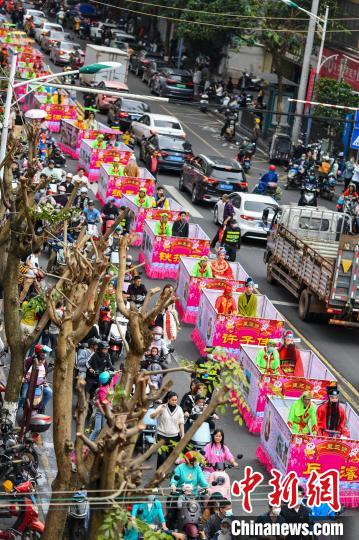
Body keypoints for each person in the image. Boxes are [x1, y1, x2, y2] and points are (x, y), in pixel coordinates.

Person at [151, 392, 185, 467]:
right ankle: (158, 473)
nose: (174, 401)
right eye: (172, 400)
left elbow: (181, 422)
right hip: (161, 436)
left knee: (169, 458)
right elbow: (152, 416)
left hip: (174, 437)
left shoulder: (179, 409)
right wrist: (158, 411)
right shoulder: (162, 407)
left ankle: (163, 473)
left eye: (176, 400)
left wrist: (183, 434)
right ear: (168, 399)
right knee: (161, 457)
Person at [89, 370, 120, 441]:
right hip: (101, 411)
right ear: (108, 380)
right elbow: (103, 402)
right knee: (97, 429)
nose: (111, 379)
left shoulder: (110, 385)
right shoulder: (102, 390)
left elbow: (114, 380)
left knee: (105, 428)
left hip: (109, 410)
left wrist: (116, 374)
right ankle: (88, 444)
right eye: (110, 378)